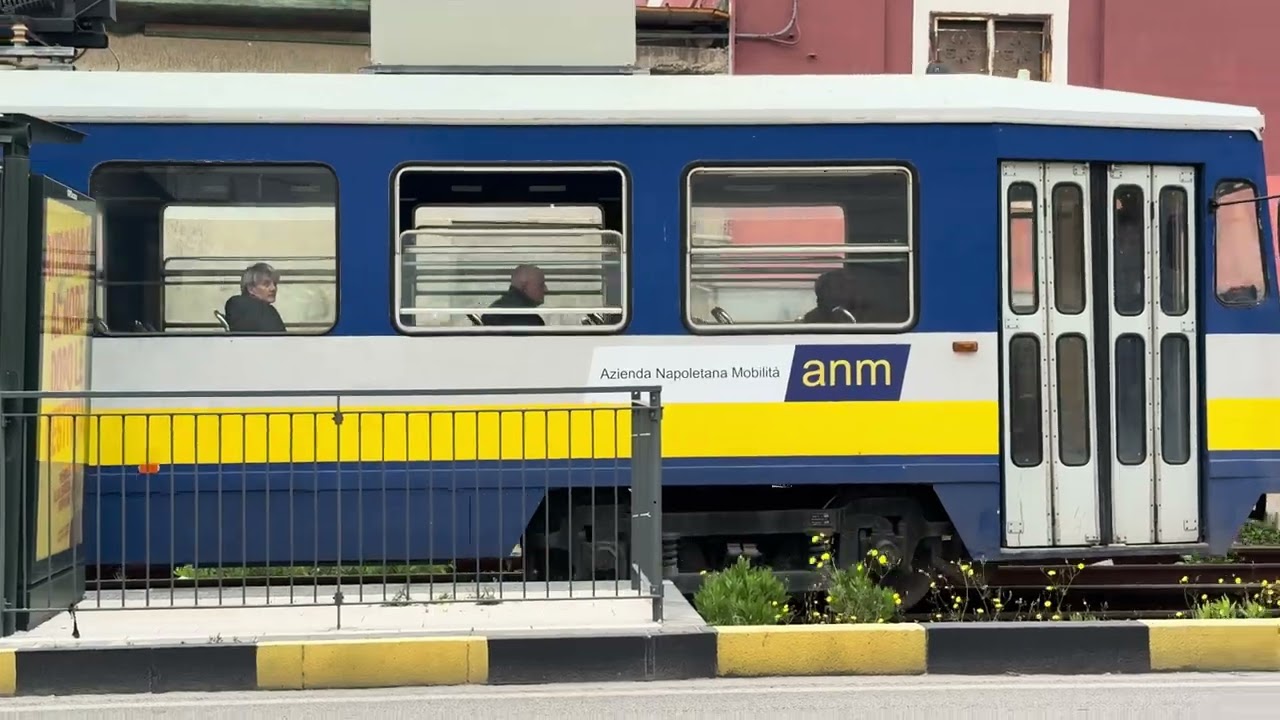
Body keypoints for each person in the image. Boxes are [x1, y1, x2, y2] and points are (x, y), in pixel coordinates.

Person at [225, 262, 286, 333]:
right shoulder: (261, 311)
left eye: (275, 284)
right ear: (251, 288)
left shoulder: (237, 305)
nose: (273, 288)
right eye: (266, 284)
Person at [481, 264, 548, 326]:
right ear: (524, 285)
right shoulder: (528, 319)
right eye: (541, 285)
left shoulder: (494, 310)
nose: (546, 289)